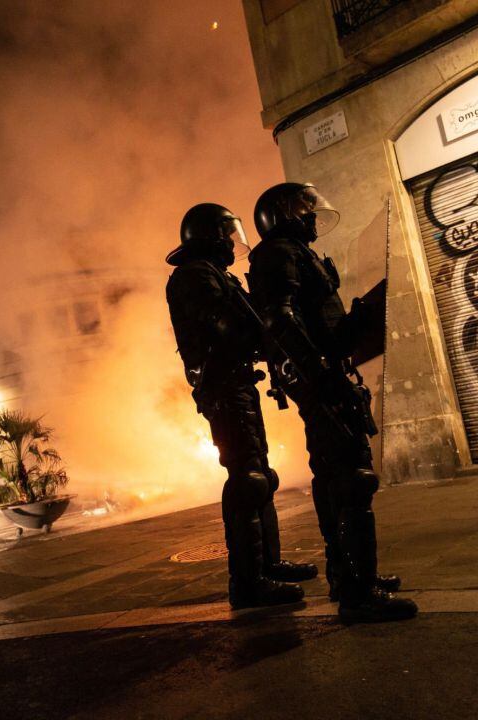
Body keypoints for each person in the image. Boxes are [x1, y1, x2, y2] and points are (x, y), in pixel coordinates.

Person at [247, 182, 416, 623]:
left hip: (326, 374)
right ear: (282, 213)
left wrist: (356, 320)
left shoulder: (293, 252)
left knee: (334, 477)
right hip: (321, 379)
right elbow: (280, 319)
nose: (312, 216)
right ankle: (359, 593)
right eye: (304, 209)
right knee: (353, 478)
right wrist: (321, 374)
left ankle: (350, 575)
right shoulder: (278, 253)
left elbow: (318, 322)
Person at [166, 202, 317, 610]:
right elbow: (227, 326)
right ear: (211, 237)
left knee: (260, 474)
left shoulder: (215, 275)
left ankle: (268, 565)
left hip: (237, 382)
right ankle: (248, 582)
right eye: (227, 235)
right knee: (246, 478)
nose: (234, 244)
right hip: (223, 385)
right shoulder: (194, 276)